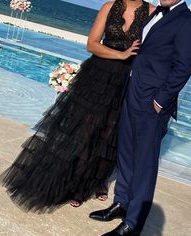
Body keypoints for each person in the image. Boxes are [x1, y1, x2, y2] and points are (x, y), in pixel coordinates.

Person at [0, 0, 154, 211]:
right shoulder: (110, 7)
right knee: (85, 130)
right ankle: (73, 182)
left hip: (127, 79)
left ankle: (95, 180)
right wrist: (121, 54)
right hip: (97, 76)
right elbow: (92, 44)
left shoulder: (152, 12)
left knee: (110, 132)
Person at [89, 0, 191, 235]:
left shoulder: (186, 21)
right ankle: (121, 203)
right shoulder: (156, 15)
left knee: (144, 164)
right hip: (132, 92)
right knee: (126, 154)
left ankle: (133, 223)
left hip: (153, 102)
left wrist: (160, 101)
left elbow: (184, 66)